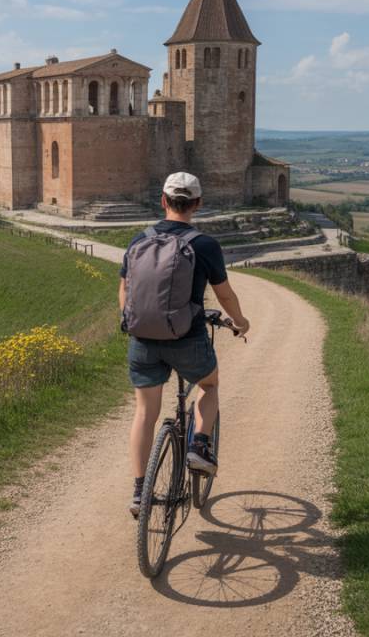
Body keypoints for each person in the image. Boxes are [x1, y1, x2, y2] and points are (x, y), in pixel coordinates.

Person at [119, 172, 250, 517]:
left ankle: (139, 492)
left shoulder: (139, 240)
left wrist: (131, 321)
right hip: (186, 338)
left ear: (163, 201)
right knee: (209, 385)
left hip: (142, 340)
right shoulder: (204, 245)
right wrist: (240, 321)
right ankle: (199, 446)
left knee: (144, 413)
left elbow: (125, 289)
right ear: (198, 204)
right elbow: (225, 295)